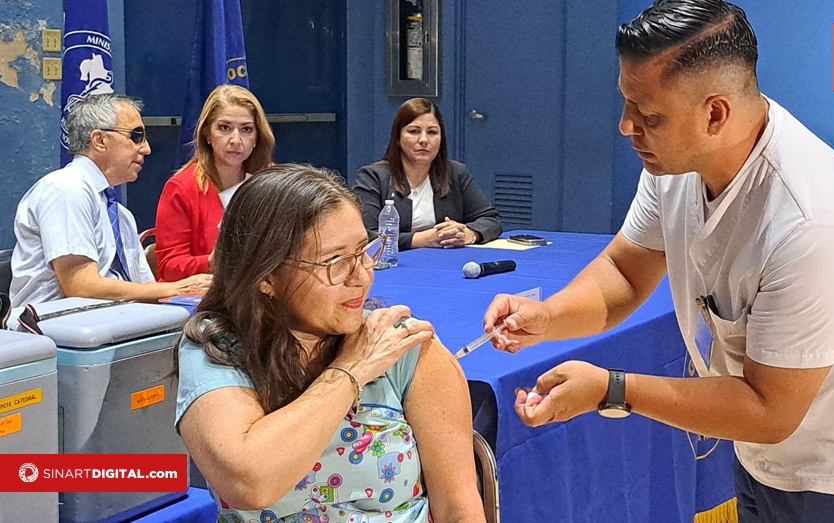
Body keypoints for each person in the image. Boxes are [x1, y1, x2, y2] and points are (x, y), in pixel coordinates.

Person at [482, 2, 834, 522]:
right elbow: (627, 270)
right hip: (759, 436)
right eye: (627, 103)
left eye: (649, 115)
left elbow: (770, 410)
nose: (627, 126)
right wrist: (549, 317)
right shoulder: (677, 160)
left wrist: (612, 389)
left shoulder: (811, 222)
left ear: (715, 114)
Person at [175, 164, 485, 523]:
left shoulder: (401, 345)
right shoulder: (218, 348)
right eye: (335, 262)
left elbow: (458, 509)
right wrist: (350, 370)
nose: (361, 276)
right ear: (266, 277)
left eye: (363, 251)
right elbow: (249, 483)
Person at [9, 93, 212, 307]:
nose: (147, 149)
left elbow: (145, 288)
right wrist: (175, 288)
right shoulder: (67, 188)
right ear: (100, 140)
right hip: (53, 322)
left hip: (112, 318)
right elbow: (81, 287)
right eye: (136, 136)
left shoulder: (119, 214)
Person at [155, 85, 276, 281]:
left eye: (246, 129)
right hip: (204, 293)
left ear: (257, 137)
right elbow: (168, 267)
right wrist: (212, 262)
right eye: (224, 128)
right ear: (207, 134)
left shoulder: (271, 180)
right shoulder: (182, 187)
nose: (236, 140)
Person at [354, 98, 501, 250]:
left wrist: (468, 234)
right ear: (398, 138)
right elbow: (367, 236)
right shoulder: (373, 177)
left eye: (432, 132)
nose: (424, 140)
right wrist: (422, 239)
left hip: (444, 258)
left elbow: (491, 220)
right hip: (395, 261)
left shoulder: (456, 172)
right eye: (414, 131)